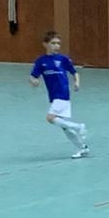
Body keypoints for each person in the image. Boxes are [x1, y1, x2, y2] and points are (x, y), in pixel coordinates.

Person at [30, 30, 89, 158]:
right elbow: (33, 76)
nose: (56, 46)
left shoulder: (63, 59)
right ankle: (82, 148)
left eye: (58, 43)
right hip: (53, 96)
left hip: (62, 93)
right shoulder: (41, 61)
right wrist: (34, 81)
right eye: (53, 43)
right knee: (65, 127)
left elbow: (74, 72)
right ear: (45, 44)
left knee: (50, 118)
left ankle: (79, 127)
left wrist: (77, 82)